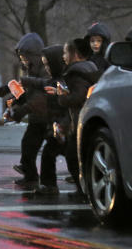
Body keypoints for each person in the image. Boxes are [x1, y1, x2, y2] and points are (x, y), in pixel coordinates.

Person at [0, 32, 48, 190]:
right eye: (21, 58)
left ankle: (32, 177)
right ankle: (29, 173)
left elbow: (38, 98)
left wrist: (20, 110)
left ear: (34, 55)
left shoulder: (43, 72)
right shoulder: (33, 70)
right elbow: (26, 93)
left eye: (25, 57)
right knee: (30, 145)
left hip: (46, 118)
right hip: (38, 117)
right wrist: (13, 101)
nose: (23, 61)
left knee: (41, 148)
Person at [45, 38, 98, 190]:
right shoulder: (90, 67)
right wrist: (59, 92)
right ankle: (86, 189)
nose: (63, 56)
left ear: (74, 54)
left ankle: (84, 191)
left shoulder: (76, 72)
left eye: (65, 52)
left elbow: (78, 97)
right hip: (86, 120)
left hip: (80, 121)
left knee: (73, 158)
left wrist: (61, 97)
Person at [33, 44, 69, 195]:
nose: (47, 68)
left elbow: (65, 106)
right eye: (45, 65)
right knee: (49, 154)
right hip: (57, 126)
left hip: (65, 127)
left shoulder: (62, 81)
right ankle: (49, 185)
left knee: (67, 156)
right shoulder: (52, 81)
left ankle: (50, 186)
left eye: (49, 64)